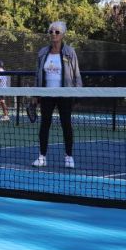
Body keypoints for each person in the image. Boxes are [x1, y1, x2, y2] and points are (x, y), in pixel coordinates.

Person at [31, 21, 82, 169]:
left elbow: (76, 74)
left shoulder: (70, 52)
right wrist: (36, 93)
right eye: (51, 31)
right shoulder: (42, 53)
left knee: (66, 125)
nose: (53, 34)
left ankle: (69, 157)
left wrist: (78, 93)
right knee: (44, 125)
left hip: (65, 94)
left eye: (57, 32)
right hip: (46, 94)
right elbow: (37, 75)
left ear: (62, 34)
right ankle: (42, 157)